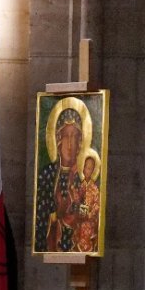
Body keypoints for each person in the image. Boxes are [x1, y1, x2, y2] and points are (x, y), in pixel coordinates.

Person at [33, 104, 93, 252]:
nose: (70, 143)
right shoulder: (47, 174)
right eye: (66, 136)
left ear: (80, 142)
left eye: (74, 136)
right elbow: (41, 215)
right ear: (58, 139)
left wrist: (80, 212)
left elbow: (89, 210)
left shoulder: (82, 177)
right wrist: (55, 215)